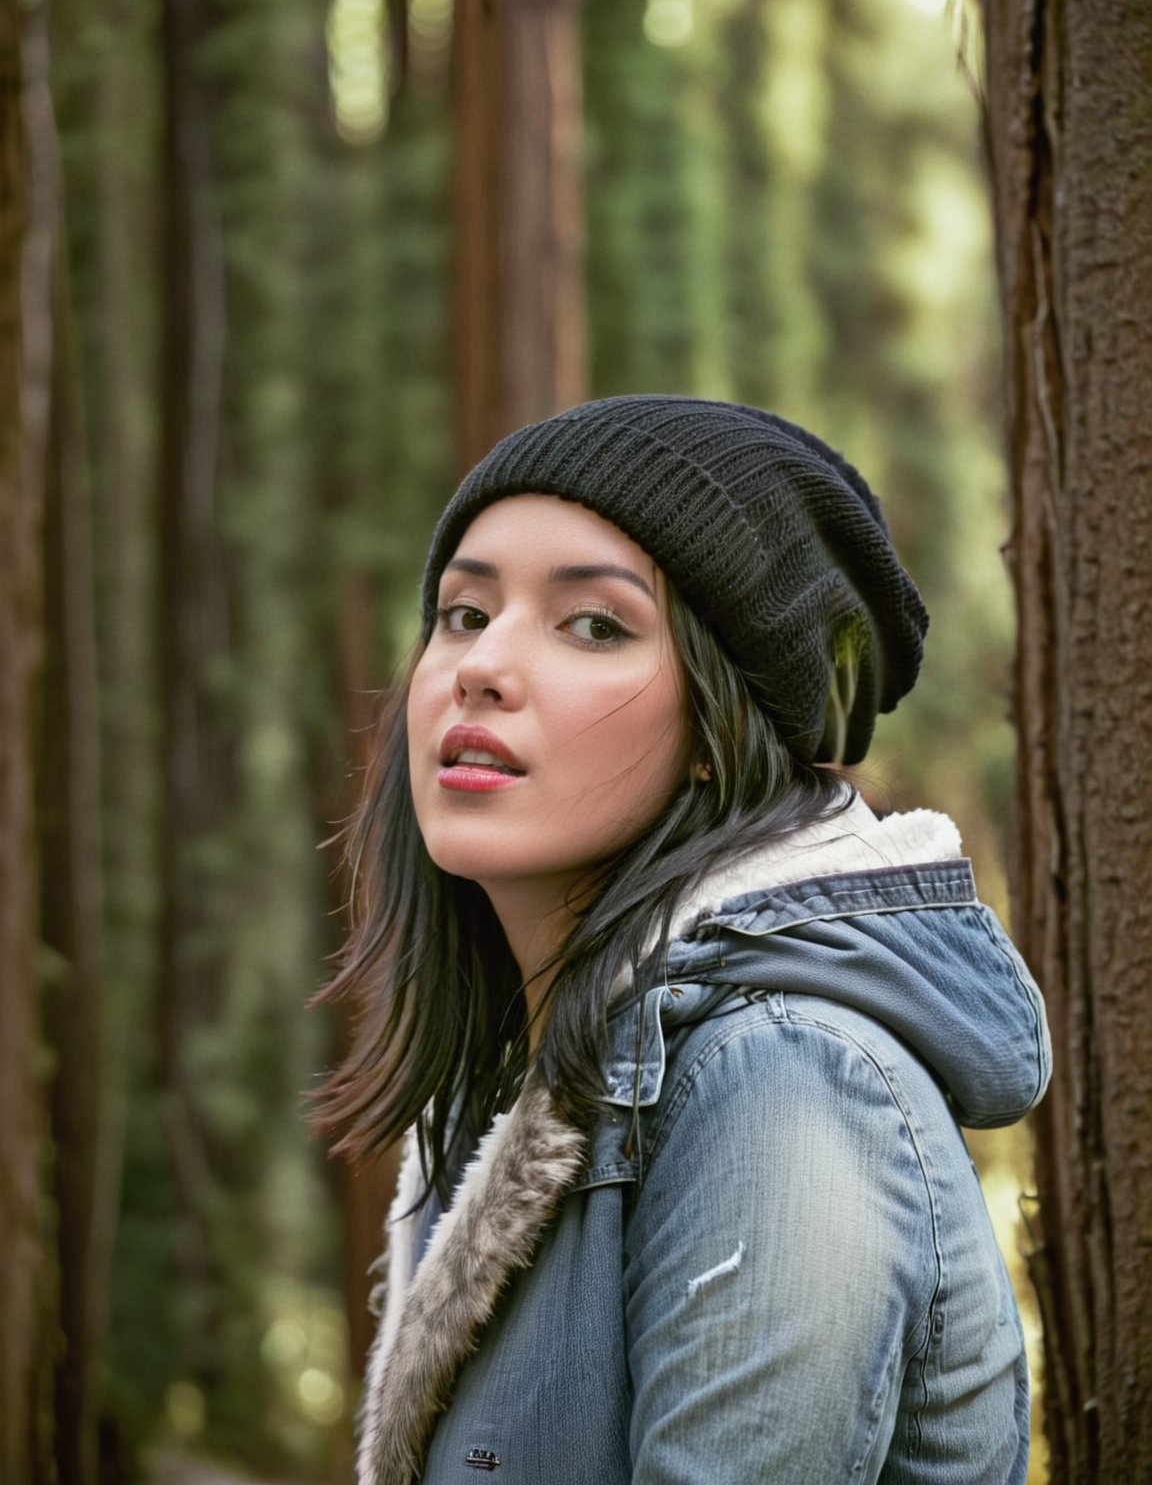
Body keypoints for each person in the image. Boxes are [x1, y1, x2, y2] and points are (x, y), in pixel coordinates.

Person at [316, 396, 1050, 1485]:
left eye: (594, 625)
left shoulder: (787, 1084)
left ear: (722, 723)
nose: (482, 665)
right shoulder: (538, 1082)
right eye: (465, 612)